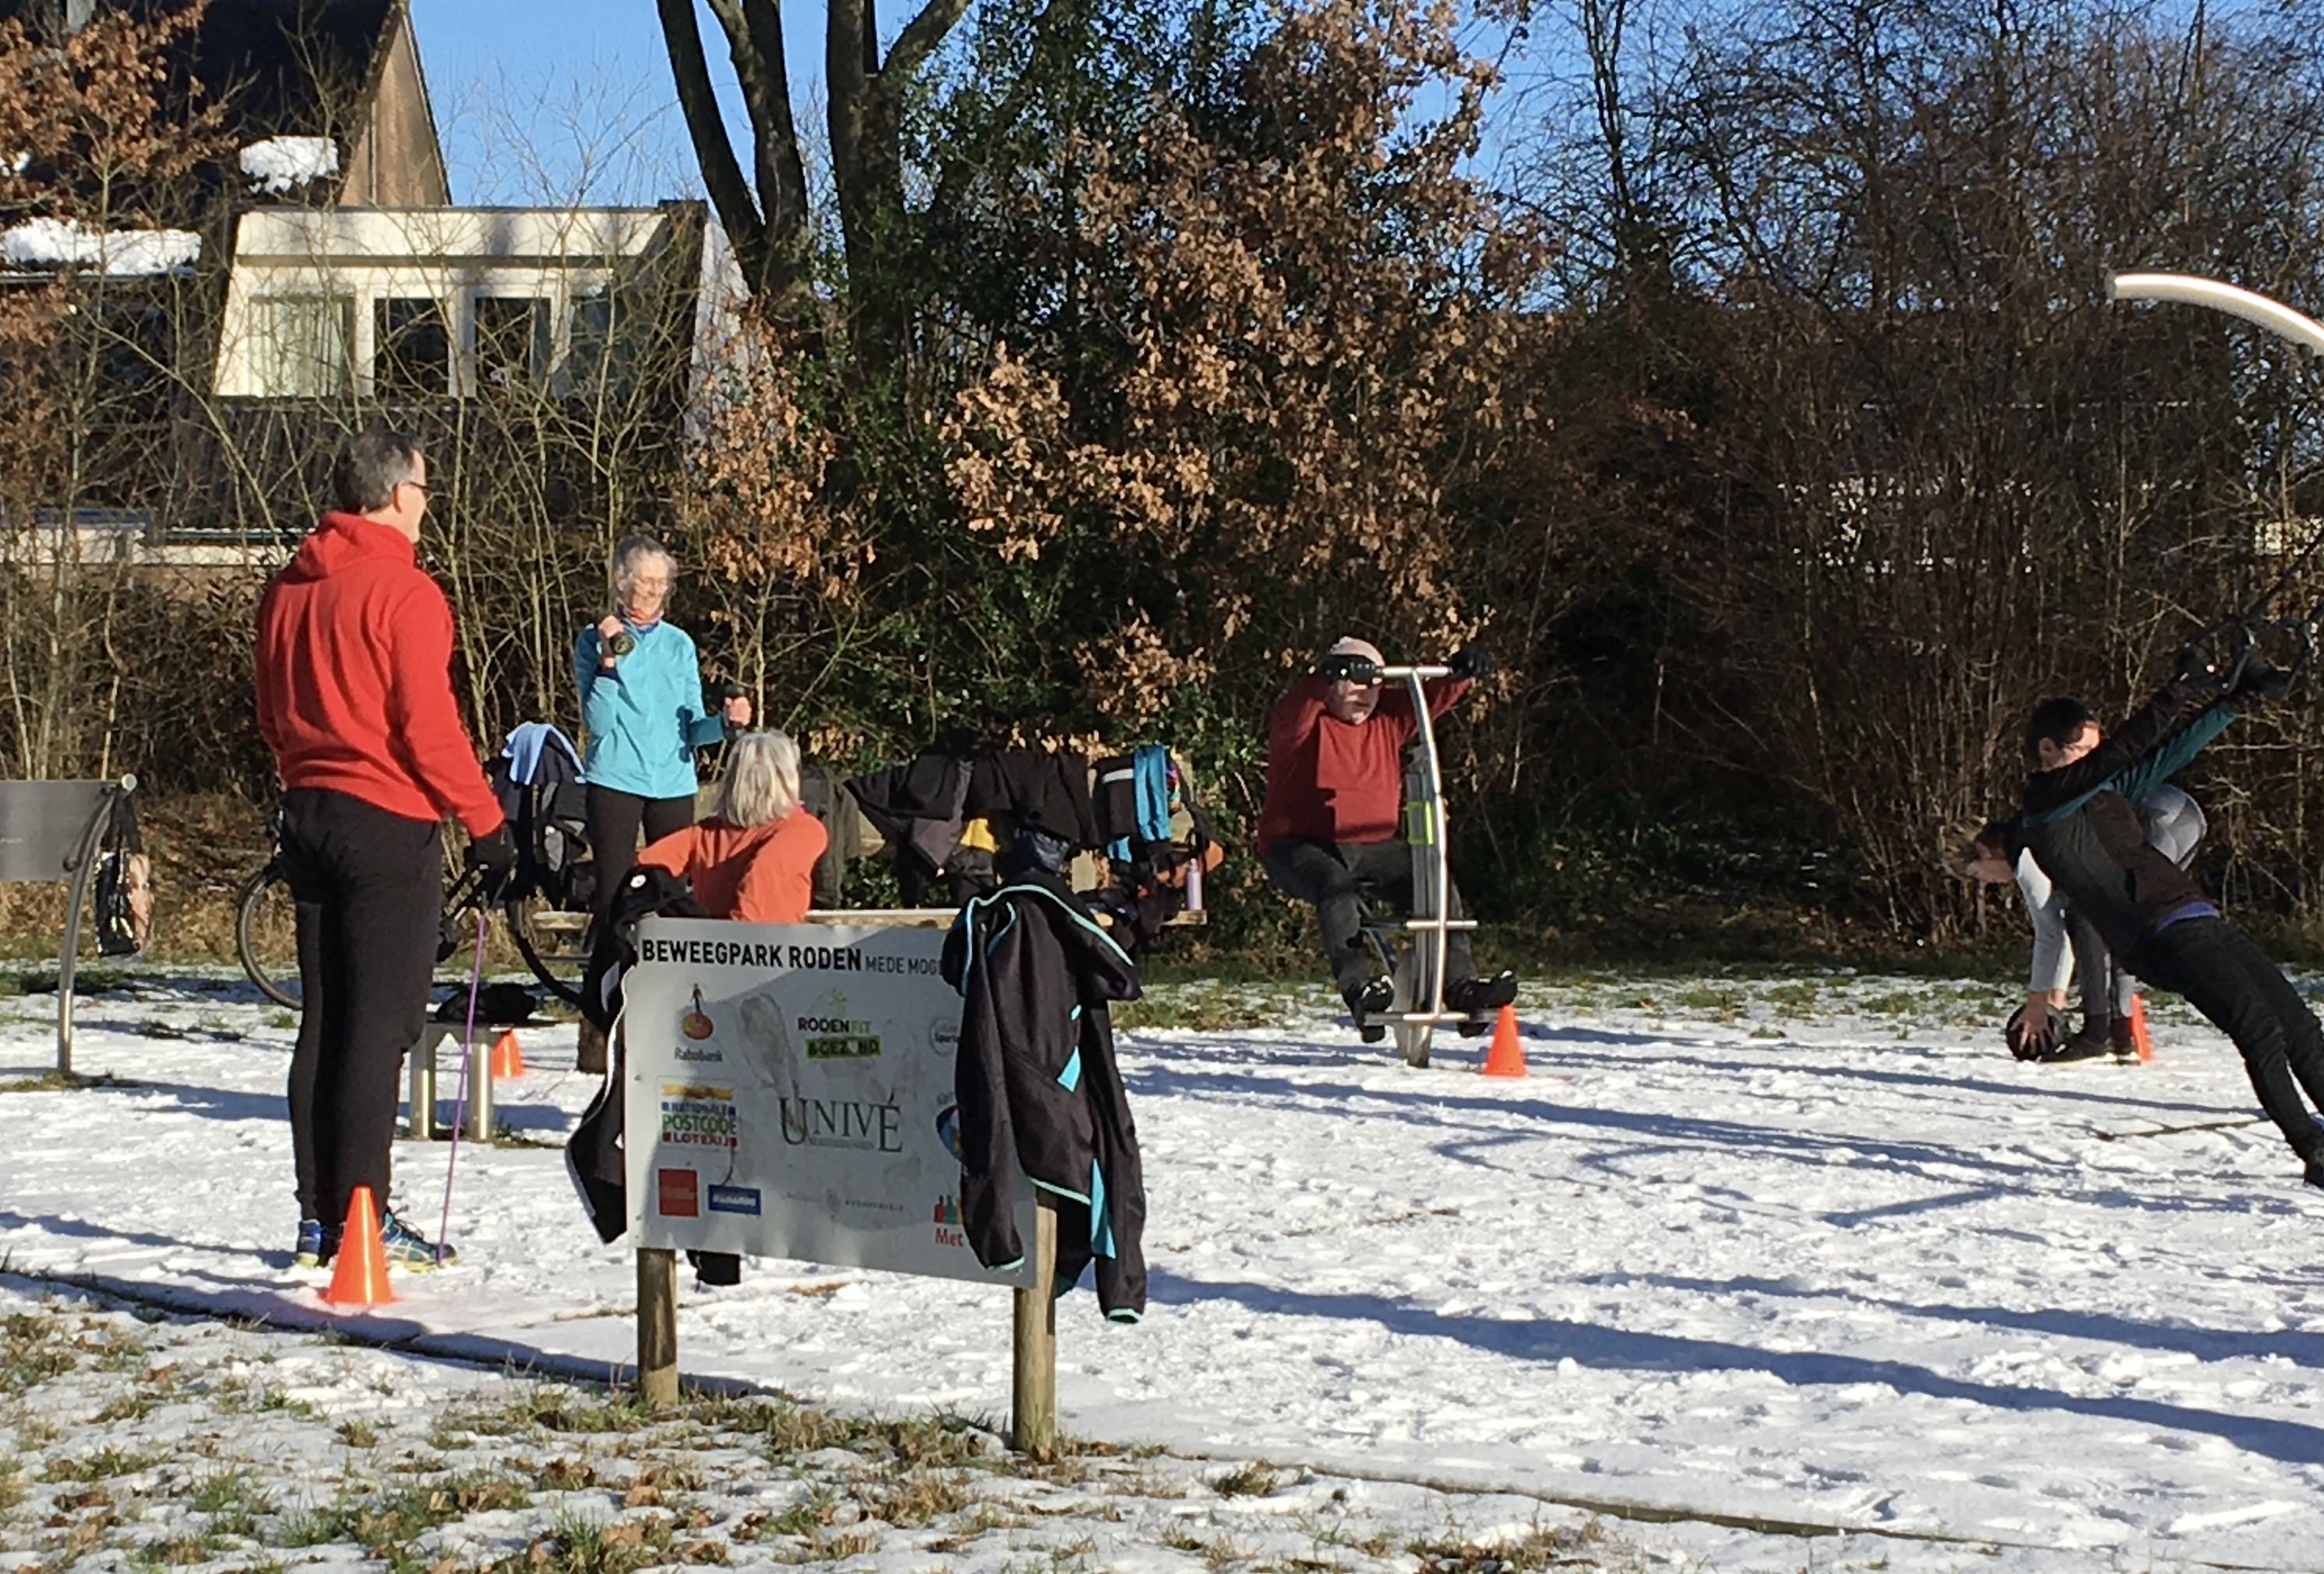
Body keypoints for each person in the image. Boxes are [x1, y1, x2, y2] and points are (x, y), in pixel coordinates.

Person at [254, 428, 515, 1271]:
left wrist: (305, 768)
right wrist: (485, 822)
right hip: (386, 819)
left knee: (325, 1017)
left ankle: (316, 1215)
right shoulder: (405, 591)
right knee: (382, 1024)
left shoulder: (287, 589)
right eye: (426, 491)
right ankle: (362, 1217)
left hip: (307, 808)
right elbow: (427, 728)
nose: (427, 506)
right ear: (400, 494)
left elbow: (270, 713)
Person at [1993, 645, 2324, 1184]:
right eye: (2085, 751)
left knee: (2301, 1027)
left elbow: (2167, 754)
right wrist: (2179, 688)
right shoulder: (2044, 806)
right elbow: (2126, 749)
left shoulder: (2101, 793)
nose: (2097, 760)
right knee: (2259, 1028)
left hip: (2194, 915)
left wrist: (2239, 699)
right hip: (2156, 937)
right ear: (2047, 750)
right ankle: (2314, 1150)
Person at [634, 729, 825, 1289]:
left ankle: (712, 1240)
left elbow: (645, 866)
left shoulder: (705, 834)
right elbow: (758, 905)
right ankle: (739, 1236)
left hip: (698, 989)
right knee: (767, 1112)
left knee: (709, 1120)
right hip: (764, 988)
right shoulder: (800, 832)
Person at [1259, 635, 1516, 1040]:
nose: (1365, 694)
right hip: (1302, 845)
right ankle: (1361, 991)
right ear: (1332, 684)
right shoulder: (1304, 723)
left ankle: (1461, 989)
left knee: (1434, 882)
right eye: (1355, 682)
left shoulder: (1388, 718)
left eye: (1374, 683)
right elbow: (1298, 706)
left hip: (1375, 845)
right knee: (1335, 888)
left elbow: (1429, 699)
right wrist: (1326, 675)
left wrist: (1460, 673)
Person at [573, 535, 751, 923]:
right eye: (646, 581)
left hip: (673, 785)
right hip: (615, 781)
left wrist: (726, 724)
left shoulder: (679, 644)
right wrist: (609, 660)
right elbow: (598, 724)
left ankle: (669, 964)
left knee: (673, 894)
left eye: (662, 582)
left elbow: (693, 730)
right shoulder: (591, 641)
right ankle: (610, 962)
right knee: (614, 896)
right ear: (622, 581)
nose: (655, 591)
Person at [1973, 786, 2205, 1062]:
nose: (1985, 882)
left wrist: (2038, 1005)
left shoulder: (2023, 854)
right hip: (2180, 815)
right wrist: (2055, 998)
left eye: (1977, 874)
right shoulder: (2027, 835)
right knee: (2118, 919)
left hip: (2162, 816)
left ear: (1985, 851)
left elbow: (2051, 934)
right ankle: (2120, 1036)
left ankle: (2098, 1035)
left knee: (2089, 917)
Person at [635, 730, 827, 924]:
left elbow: (642, 868)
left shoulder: (704, 834)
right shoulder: (804, 830)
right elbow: (766, 873)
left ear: (732, 779)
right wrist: (738, 933)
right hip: (769, 939)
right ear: (789, 778)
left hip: (707, 938)